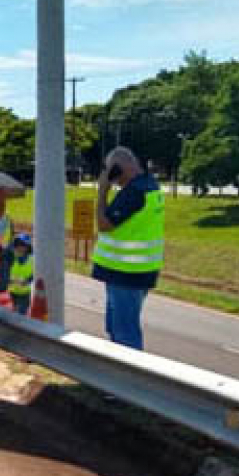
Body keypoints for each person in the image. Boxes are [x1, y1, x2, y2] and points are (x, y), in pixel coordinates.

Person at [92, 146, 164, 350]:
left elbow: (103, 224)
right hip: (138, 271)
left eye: (111, 172)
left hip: (126, 273)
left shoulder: (134, 192)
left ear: (119, 168)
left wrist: (103, 191)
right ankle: (117, 375)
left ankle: (127, 378)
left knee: (125, 332)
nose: (112, 178)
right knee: (118, 327)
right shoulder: (150, 186)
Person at [8, 234, 34, 315]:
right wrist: (7, 280)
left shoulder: (32, 259)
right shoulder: (11, 257)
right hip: (11, 292)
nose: (20, 247)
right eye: (18, 245)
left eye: (23, 245)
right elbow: (5, 270)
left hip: (24, 294)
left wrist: (28, 281)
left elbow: (34, 274)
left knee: (20, 315)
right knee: (13, 314)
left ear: (28, 247)